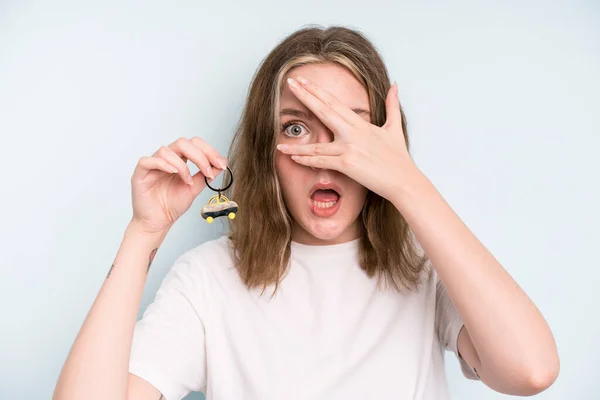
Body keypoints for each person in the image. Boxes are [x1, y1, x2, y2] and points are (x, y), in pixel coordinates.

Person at [53, 25, 559, 400]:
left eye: (350, 131)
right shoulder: (208, 281)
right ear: (264, 148)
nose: (323, 156)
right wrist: (143, 233)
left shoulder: (426, 270)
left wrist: (407, 183)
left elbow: (531, 371)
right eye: (295, 128)